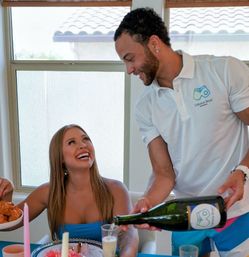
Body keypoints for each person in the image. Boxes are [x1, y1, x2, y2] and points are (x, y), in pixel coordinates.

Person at [114, 7, 249, 257]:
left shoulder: (225, 71)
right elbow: (164, 173)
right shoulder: (146, 106)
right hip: (186, 217)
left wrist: (242, 171)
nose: (128, 70)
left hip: (237, 212)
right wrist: (148, 202)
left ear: (154, 43)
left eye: (130, 58)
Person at [9, 124, 138, 257]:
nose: (83, 145)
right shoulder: (48, 192)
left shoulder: (116, 189)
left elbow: (129, 235)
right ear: (60, 158)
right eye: (72, 142)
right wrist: (5, 197)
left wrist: (127, 254)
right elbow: (8, 222)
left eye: (86, 139)